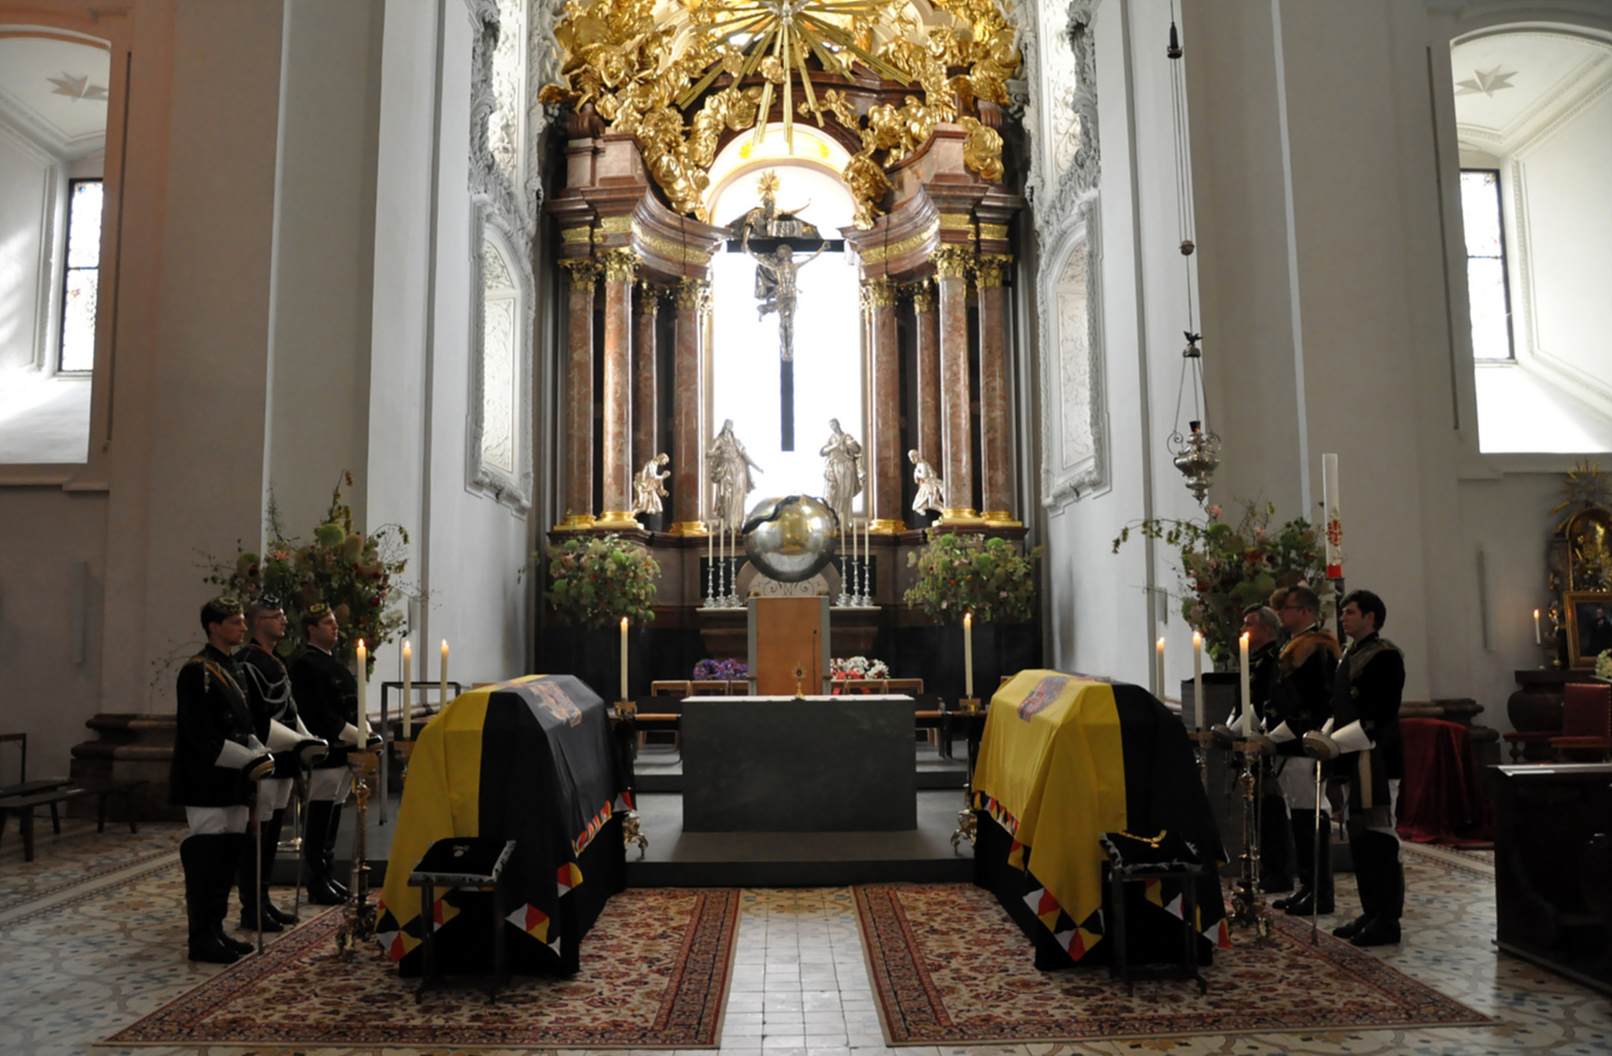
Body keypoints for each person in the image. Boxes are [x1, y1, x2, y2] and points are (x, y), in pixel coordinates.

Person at [169, 596, 275, 962]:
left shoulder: (234, 668)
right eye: (235, 621)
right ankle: (201, 937)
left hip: (234, 780)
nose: (243, 627)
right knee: (207, 858)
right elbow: (200, 734)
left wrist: (257, 753)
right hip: (206, 780)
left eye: (243, 620)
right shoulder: (196, 671)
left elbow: (247, 725)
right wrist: (247, 760)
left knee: (227, 858)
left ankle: (216, 929)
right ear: (214, 626)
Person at [1320, 589, 1407, 947]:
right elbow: (1340, 706)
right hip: (1351, 756)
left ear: (1371, 616)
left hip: (1376, 755)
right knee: (1359, 839)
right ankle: (1370, 911)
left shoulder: (1384, 656)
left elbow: (1382, 710)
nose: (1344, 618)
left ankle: (1388, 919)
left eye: (1351, 612)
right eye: (1343, 612)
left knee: (1380, 839)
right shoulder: (1349, 656)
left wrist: (1341, 738)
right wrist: (1325, 735)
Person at [235, 597, 326, 932]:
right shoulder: (248, 661)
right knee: (257, 835)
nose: (284, 622)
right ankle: (251, 906)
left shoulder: (277, 660)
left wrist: (306, 738)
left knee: (273, 832)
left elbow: (288, 707)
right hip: (265, 755)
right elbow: (259, 716)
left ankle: (264, 900)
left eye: (284, 616)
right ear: (258, 622)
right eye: (276, 617)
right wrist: (298, 740)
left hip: (285, 756)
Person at [1265, 584, 1342, 915]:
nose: (1281, 613)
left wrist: (1285, 733)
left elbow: (1319, 702)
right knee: (1297, 816)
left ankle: (1320, 891)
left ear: (1306, 612)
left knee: (1310, 814)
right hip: (1288, 744)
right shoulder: (1293, 646)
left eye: (1287, 607)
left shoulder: (1319, 649)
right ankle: (1307, 886)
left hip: (1303, 743)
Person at [288, 603, 366, 905]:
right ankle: (316, 880)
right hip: (325, 751)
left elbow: (350, 706)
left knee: (332, 816)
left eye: (335, 623)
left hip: (343, 751)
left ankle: (327, 874)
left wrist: (363, 733)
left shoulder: (334, 663)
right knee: (319, 817)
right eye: (328, 623)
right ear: (311, 628)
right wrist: (353, 735)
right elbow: (316, 712)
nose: (335, 628)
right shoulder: (306, 664)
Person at [1240, 605, 1289, 892]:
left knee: (1271, 809)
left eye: (1249, 624)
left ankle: (1278, 869)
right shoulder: (1253, 658)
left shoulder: (1275, 658)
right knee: (1256, 806)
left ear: (1268, 629)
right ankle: (1264, 866)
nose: (1243, 630)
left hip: (1268, 736)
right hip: (1251, 736)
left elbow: (1268, 700)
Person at [707, 419, 762, 531]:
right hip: (726, 471)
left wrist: (757, 467)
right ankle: (726, 524)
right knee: (726, 497)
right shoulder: (719, 441)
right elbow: (708, 453)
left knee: (737, 498)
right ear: (724, 426)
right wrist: (720, 454)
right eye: (727, 424)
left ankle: (736, 524)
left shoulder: (736, 441)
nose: (729, 426)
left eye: (731, 424)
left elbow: (746, 455)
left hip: (739, 471)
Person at [820, 419, 864, 527]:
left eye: (833, 424)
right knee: (836, 494)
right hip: (836, 467)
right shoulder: (831, 439)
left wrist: (848, 445)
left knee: (846, 494)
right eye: (831, 425)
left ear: (838, 424)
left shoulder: (846, 437)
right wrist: (835, 446)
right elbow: (822, 452)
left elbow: (857, 449)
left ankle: (845, 521)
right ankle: (836, 520)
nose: (832, 427)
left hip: (847, 466)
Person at [909, 450, 943, 517]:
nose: (911, 459)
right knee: (929, 504)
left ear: (916, 456)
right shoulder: (919, 464)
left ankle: (946, 512)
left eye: (912, 457)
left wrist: (917, 473)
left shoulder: (922, 464)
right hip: (926, 485)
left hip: (930, 485)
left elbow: (924, 475)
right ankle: (946, 512)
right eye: (911, 458)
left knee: (931, 504)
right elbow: (916, 481)